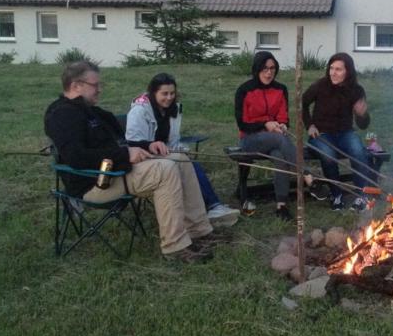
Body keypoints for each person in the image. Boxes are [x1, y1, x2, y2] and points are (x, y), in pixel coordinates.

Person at [45, 61, 218, 264]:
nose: (99, 89)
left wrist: (146, 145)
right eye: (95, 85)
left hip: (117, 170)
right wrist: (125, 155)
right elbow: (76, 157)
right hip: (97, 182)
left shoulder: (90, 111)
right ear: (76, 85)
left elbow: (121, 142)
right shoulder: (62, 114)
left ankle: (199, 231)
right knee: (165, 169)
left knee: (180, 159)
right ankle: (175, 246)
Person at [125, 73, 239, 226]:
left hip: (165, 153)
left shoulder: (173, 109)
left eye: (172, 93)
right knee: (187, 164)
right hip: (145, 158)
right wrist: (153, 146)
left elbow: (172, 140)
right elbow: (133, 143)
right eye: (164, 94)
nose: (170, 97)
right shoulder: (140, 110)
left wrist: (181, 149)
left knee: (188, 160)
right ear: (153, 93)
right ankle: (211, 208)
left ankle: (209, 209)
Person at [235, 51, 322, 220]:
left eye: (272, 68)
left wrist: (282, 125)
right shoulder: (244, 90)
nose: (269, 73)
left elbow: (283, 118)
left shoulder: (280, 89)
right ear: (257, 69)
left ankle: (281, 206)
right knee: (279, 139)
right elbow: (242, 124)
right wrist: (264, 124)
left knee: (280, 155)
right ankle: (307, 175)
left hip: (275, 141)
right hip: (250, 139)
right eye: (265, 69)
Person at [302, 52, 373, 212]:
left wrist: (362, 115)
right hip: (321, 134)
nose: (333, 73)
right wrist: (310, 125)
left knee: (358, 150)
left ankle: (362, 195)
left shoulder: (356, 90)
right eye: (331, 68)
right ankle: (336, 194)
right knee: (328, 155)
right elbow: (303, 104)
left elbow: (363, 125)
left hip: (345, 132)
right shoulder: (320, 86)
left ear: (348, 71)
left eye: (338, 69)